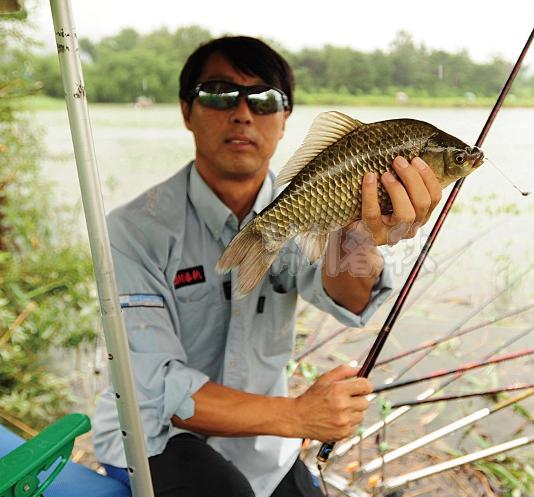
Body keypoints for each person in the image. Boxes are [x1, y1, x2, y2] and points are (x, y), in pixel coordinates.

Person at [92, 36, 443, 497]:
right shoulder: (132, 229)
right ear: (185, 111)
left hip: (264, 446)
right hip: (152, 436)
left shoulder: (306, 203)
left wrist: (359, 236)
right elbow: (157, 385)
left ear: (284, 121)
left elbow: (348, 300)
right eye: (218, 93)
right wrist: (298, 415)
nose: (242, 113)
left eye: (263, 99)